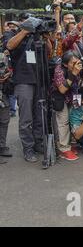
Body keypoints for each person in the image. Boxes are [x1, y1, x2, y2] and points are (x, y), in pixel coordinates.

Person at [6, 17, 53, 163]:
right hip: (23, 81)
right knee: (26, 118)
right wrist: (25, 30)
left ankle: (38, 143)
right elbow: (9, 45)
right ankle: (28, 148)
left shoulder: (39, 37)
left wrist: (46, 36)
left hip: (40, 80)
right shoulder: (14, 34)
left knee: (39, 115)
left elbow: (49, 52)